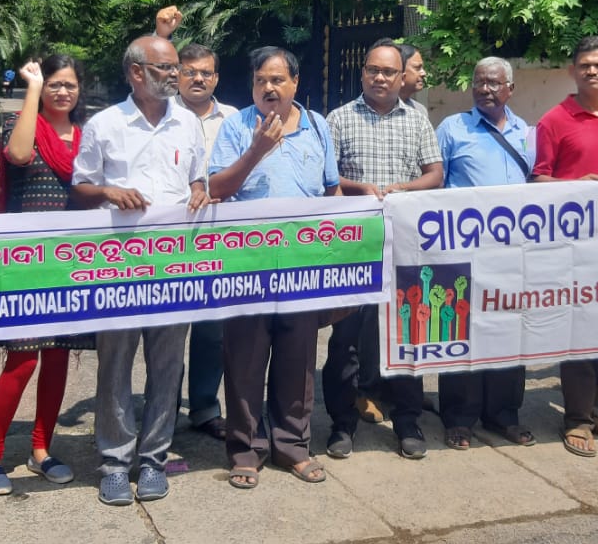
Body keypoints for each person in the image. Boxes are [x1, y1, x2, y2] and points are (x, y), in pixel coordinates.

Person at [70, 35, 208, 505]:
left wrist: (198, 189)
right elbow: (81, 188)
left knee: (168, 365)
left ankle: (153, 459)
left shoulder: (188, 123)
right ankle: (114, 461)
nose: (175, 75)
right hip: (119, 267)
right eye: (165, 68)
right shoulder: (105, 124)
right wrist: (108, 192)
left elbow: (197, 176)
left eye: (176, 68)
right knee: (115, 364)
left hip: (174, 264)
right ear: (136, 72)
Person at [208, 47, 341, 489]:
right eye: (261, 80)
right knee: (244, 361)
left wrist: (337, 253)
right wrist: (257, 150)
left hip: (303, 265)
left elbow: (332, 192)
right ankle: (246, 450)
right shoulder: (236, 126)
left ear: (295, 83)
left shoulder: (317, 126)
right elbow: (216, 189)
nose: (269, 88)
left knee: (298, 360)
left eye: (278, 80)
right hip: (248, 265)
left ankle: (293, 446)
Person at [0, 55, 92, 497]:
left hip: (71, 263)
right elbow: (19, 155)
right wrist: (33, 88)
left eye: (69, 85)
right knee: (21, 361)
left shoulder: (86, 136)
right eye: (55, 84)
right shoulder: (21, 124)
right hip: (26, 262)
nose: (63, 92)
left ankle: (41, 450)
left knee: (58, 358)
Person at [323, 38, 444, 460]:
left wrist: (403, 189)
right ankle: (342, 425)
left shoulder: (417, 119)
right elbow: (327, 178)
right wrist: (361, 189)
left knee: (407, 334)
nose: (380, 77)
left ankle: (408, 422)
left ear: (400, 76)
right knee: (346, 340)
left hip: (404, 246)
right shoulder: (339, 119)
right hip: (353, 248)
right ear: (363, 73)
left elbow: (435, 174)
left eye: (388, 72)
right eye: (373, 69)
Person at [531, 37, 598, 456]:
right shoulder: (554, 120)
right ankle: (575, 418)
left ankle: (591, 409)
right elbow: (537, 181)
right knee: (579, 333)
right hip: (573, 248)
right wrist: (574, 186)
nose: (591, 71)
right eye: (584, 65)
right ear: (572, 71)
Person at [436, 56, 536, 451]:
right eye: (479, 82)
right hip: (464, 252)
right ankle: (458, 418)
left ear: (510, 88)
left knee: (508, 331)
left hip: (513, 254)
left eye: (493, 83)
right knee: (462, 331)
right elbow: (434, 186)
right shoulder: (452, 129)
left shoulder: (526, 132)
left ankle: (504, 414)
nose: (484, 89)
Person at [175, 41, 238, 442]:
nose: (198, 78)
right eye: (190, 71)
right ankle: (162, 408)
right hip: (170, 238)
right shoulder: (161, 114)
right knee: (167, 329)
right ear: (177, 75)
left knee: (213, 330)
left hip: (220, 237)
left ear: (216, 78)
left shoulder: (233, 118)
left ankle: (204, 407)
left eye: (206, 73)